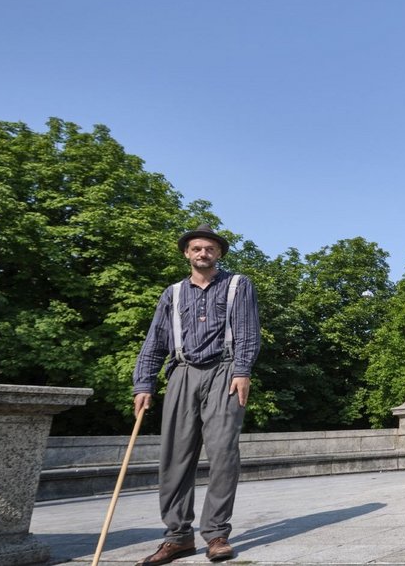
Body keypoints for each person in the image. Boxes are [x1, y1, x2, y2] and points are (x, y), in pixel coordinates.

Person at [132, 224, 261, 565]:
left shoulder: (238, 285)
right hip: (182, 372)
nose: (203, 253)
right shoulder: (172, 294)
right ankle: (178, 537)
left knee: (222, 453)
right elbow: (154, 342)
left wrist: (243, 370)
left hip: (225, 372)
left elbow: (248, 331)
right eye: (196, 249)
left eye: (209, 249)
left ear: (219, 254)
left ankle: (216, 533)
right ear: (187, 254)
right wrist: (144, 385)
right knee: (175, 457)